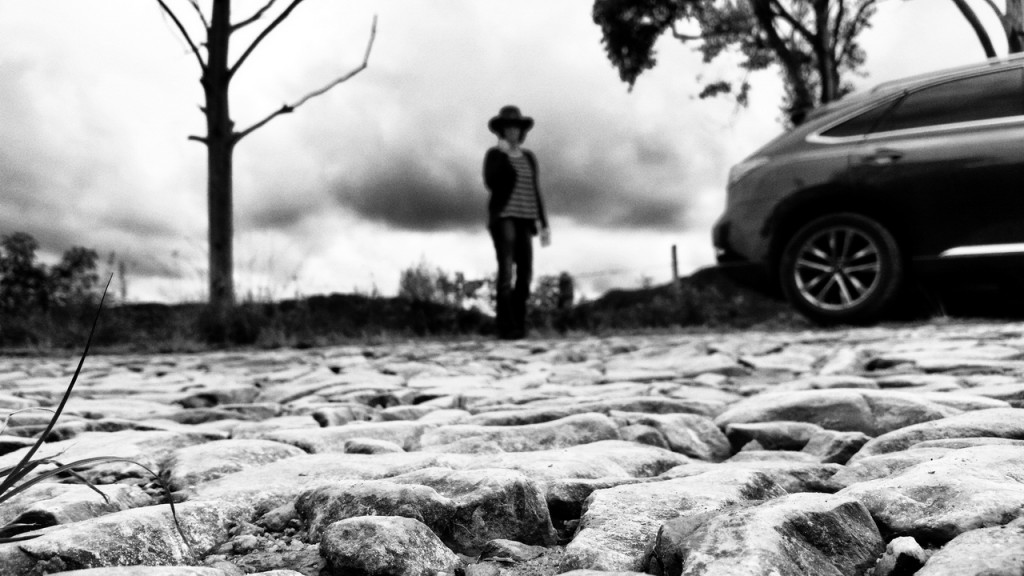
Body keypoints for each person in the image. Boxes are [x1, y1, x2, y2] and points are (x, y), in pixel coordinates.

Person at [482, 105, 550, 339]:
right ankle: (505, 326)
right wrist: (503, 156)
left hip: (526, 220)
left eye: (516, 128)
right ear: (502, 131)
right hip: (504, 218)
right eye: (508, 128)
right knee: (506, 271)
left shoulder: (529, 157)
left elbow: (535, 189)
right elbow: (491, 182)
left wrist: (543, 223)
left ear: (521, 132)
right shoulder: (494, 156)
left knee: (526, 272)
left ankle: (519, 324)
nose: (513, 132)